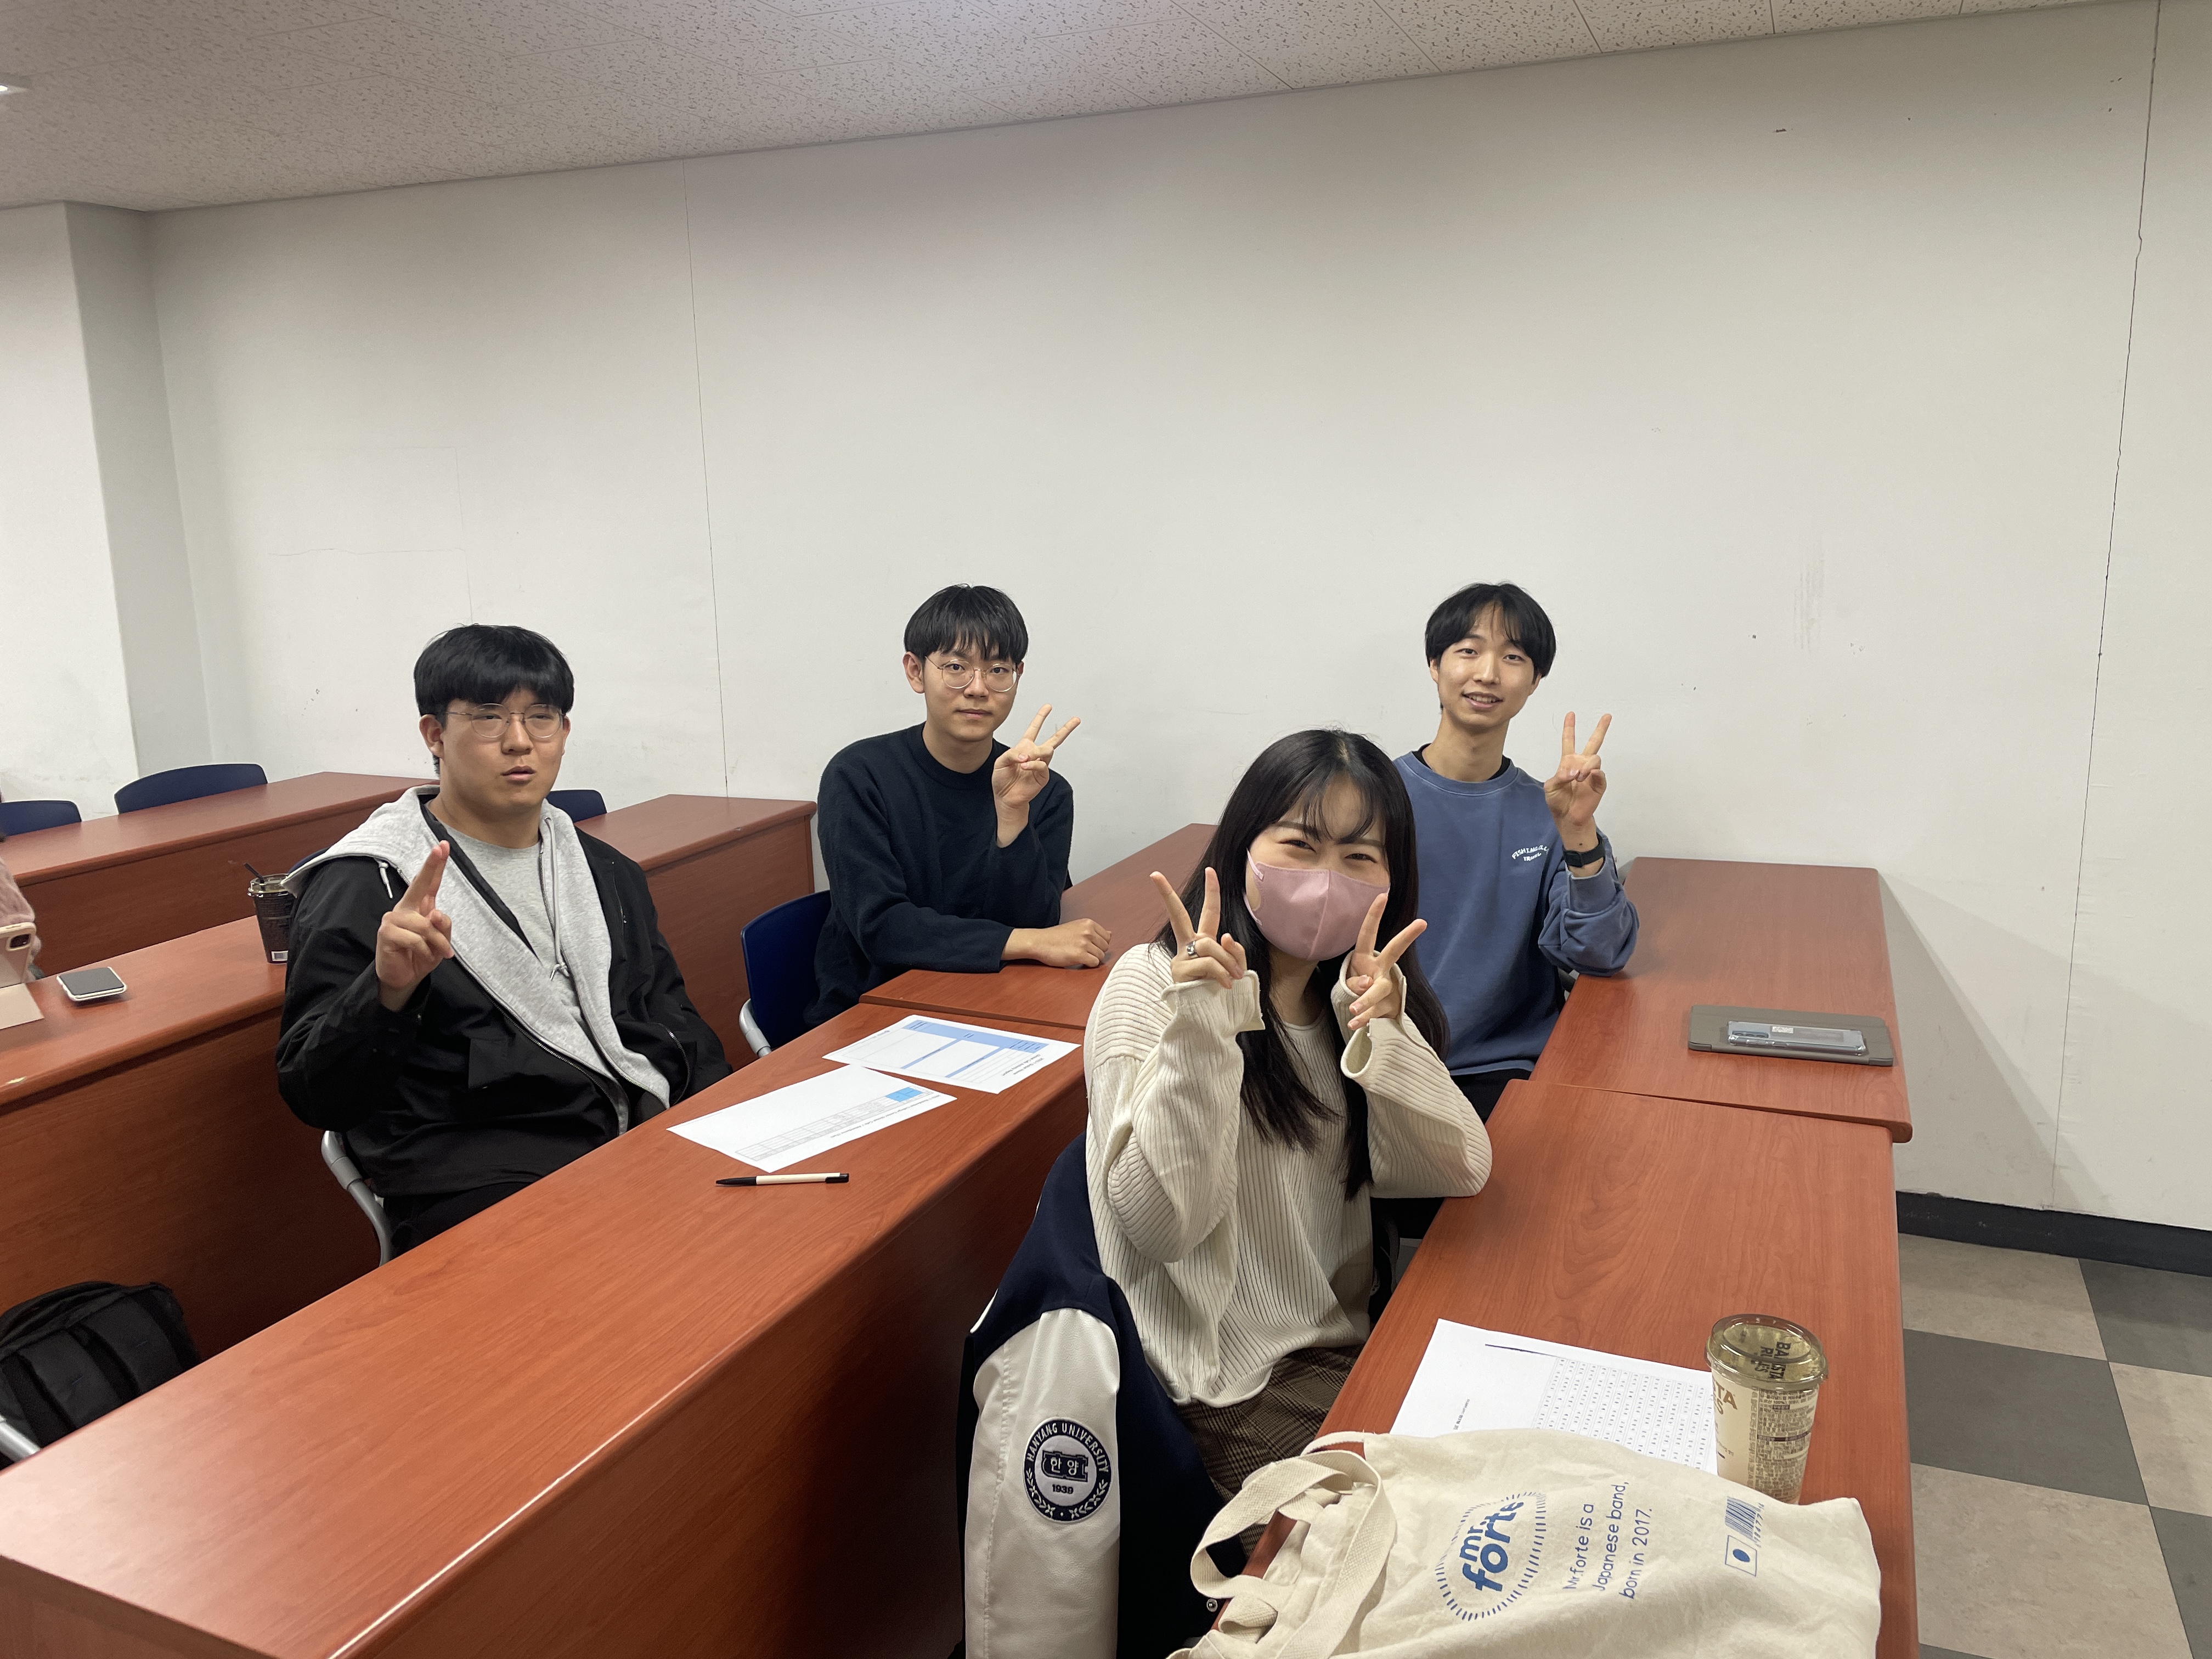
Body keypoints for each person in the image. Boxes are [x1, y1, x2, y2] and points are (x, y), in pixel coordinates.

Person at [1084, 729, 1489, 1503]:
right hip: (1227, 1388)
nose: (1327, 881)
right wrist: (1202, 1029)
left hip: (1343, 1342)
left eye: (1360, 857)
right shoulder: (1152, 984)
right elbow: (1163, 1226)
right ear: (1242, 846)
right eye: (1300, 845)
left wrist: (1387, 1031)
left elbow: (1459, 1166)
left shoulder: (1350, 998)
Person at [277, 624, 729, 1251]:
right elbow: (317, 1094)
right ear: (435, 734)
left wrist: (727, 1120)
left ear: (563, 732)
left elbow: (669, 1016)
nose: (520, 741)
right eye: (489, 717)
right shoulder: (367, 884)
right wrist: (384, 993)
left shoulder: (604, 870)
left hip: (638, 1145)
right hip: (486, 1181)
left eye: (541, 717)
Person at [806, 583, 1109, 1027]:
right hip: (873, 1009)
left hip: (996, 999)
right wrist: (1024, 942)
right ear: (915, 671)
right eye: (955, 667)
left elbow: (1036, 920)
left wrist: (1012, 816)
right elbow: (882, 929)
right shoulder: (858, 776)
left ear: (1017, 676)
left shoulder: (1043, 789)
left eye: (998, 670)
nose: (978, 688)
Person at [1396, 581, 1638, 1126]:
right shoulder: (1373, 798)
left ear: (1534, 681)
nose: (1487, 673)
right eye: (1469, 650)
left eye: (1512, 658)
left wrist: (1578, 833)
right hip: (1384, 1059)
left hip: (1502, 1067)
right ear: (1434, 665)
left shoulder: (1548, 811)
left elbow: (1600, 954)